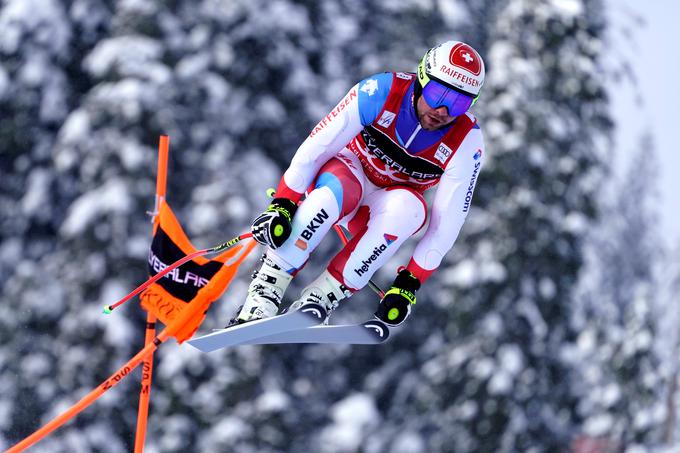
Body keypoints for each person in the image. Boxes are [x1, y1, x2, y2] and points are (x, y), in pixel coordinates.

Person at [235, 40, 486, 327]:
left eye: (460, 102)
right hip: (346, 177)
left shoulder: (467, 140)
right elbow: (318, 146)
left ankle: (320, 299)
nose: (443, 110)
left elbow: (449, 221)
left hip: (382, 210)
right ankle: (265, 290)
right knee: (334, 195)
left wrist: (409, 284)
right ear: (421, 79)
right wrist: (283, 203)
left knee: (412, 209)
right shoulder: (381, 92)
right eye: (438, 93)